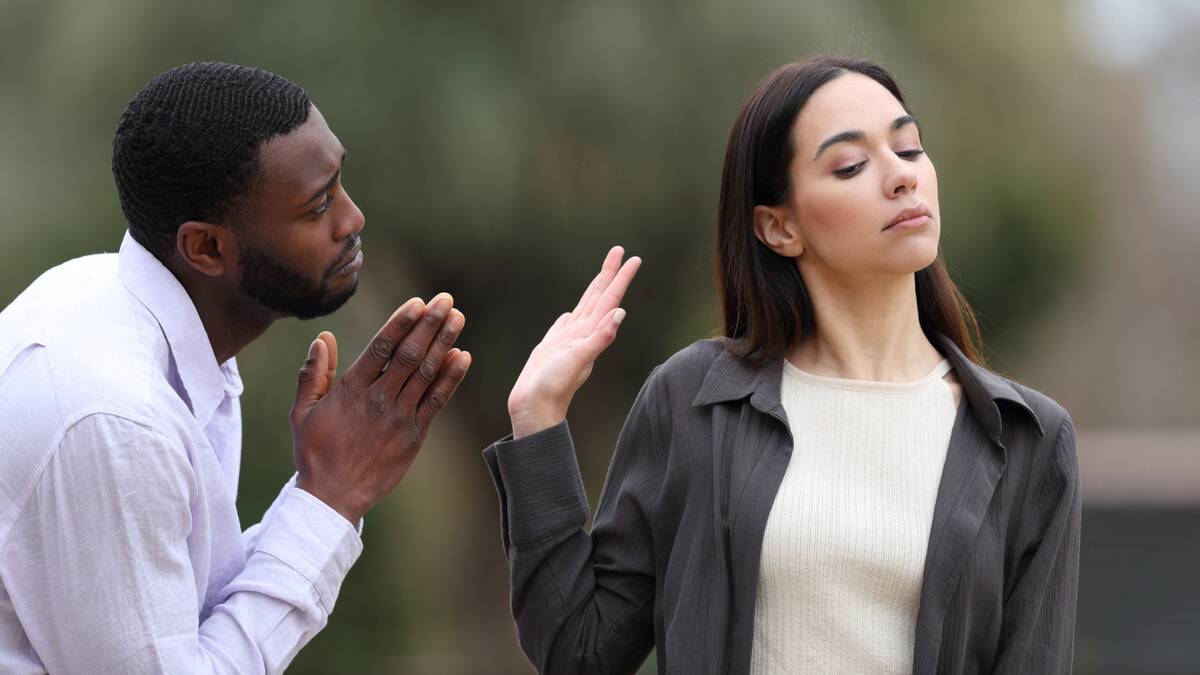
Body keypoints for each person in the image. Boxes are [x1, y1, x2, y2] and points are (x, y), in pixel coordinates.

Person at [485, 55, 1080, 674]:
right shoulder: (695, 403)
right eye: (851, 165)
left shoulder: (1027, 438)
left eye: (908, 149)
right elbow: (579, 653)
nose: (901, 177)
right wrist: (538, 421)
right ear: (778, 228)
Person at [0, 62, 472, 673]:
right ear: (207, 248)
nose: (352, 220)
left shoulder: (116, 300)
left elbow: (174, 611)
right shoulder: (115, 419)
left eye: (340, 183)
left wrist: (320, 491)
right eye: (317, 205)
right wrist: (331, 498)